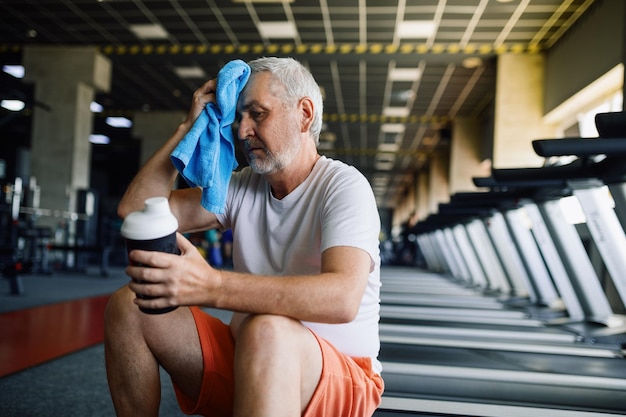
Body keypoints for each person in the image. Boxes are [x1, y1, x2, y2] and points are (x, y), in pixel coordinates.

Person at [104, 57, 384, 417]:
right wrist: (188, 127)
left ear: (304, 114)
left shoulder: (344, 187)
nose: (241, 131)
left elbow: (343, 299)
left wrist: (213, 286)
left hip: (340, 381)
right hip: (249, 360)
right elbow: (135, 211)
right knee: (131, 304)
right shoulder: (240, 186)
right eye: (239, 117)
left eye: (258, 114)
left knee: (267, 330)